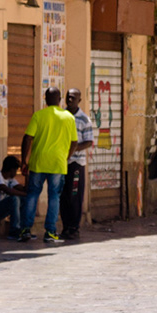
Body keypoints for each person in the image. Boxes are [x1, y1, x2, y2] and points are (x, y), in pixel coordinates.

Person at [19, 88, 75, 243]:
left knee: (32, 194)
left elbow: (27, 138)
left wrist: (24, 160)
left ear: (45, 100)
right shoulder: (69, 117)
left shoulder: (38, 115)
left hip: (38, 162)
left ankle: (25, 230)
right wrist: (66, 157)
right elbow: (74, 142)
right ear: (60, 100)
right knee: (54, 196)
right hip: (58, 163)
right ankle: (50, 231)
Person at [61, 88, 95, 240]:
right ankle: (65, 227)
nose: (70, 100)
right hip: (61, 163)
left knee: (74, 195)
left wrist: (73, 149)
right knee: (63, 196)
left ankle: (74, 227)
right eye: (68, 97)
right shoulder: (61, 116)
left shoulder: (84, 119)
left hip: (76, 163)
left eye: (73, 98)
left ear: (79, 100)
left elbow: (88, 141)